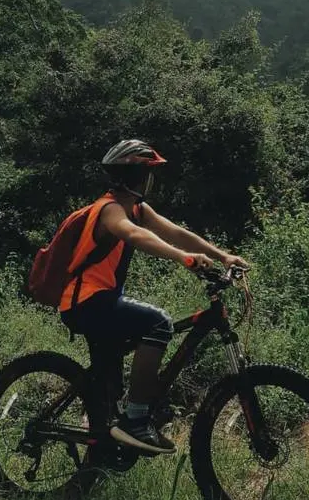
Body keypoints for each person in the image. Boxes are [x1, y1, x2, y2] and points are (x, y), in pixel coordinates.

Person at [58, 138, 248, 455]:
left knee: (109, 390)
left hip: (100, 303)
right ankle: (136, 420)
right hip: (87, 303)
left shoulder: (137, 209)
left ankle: (107, 447)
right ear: (136, 176)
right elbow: (134, 234)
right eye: (149, 173)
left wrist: (223, 256)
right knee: (158, 324)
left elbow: (175, 231)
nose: (151, 180)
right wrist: (182, 258)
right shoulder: (109, 210)